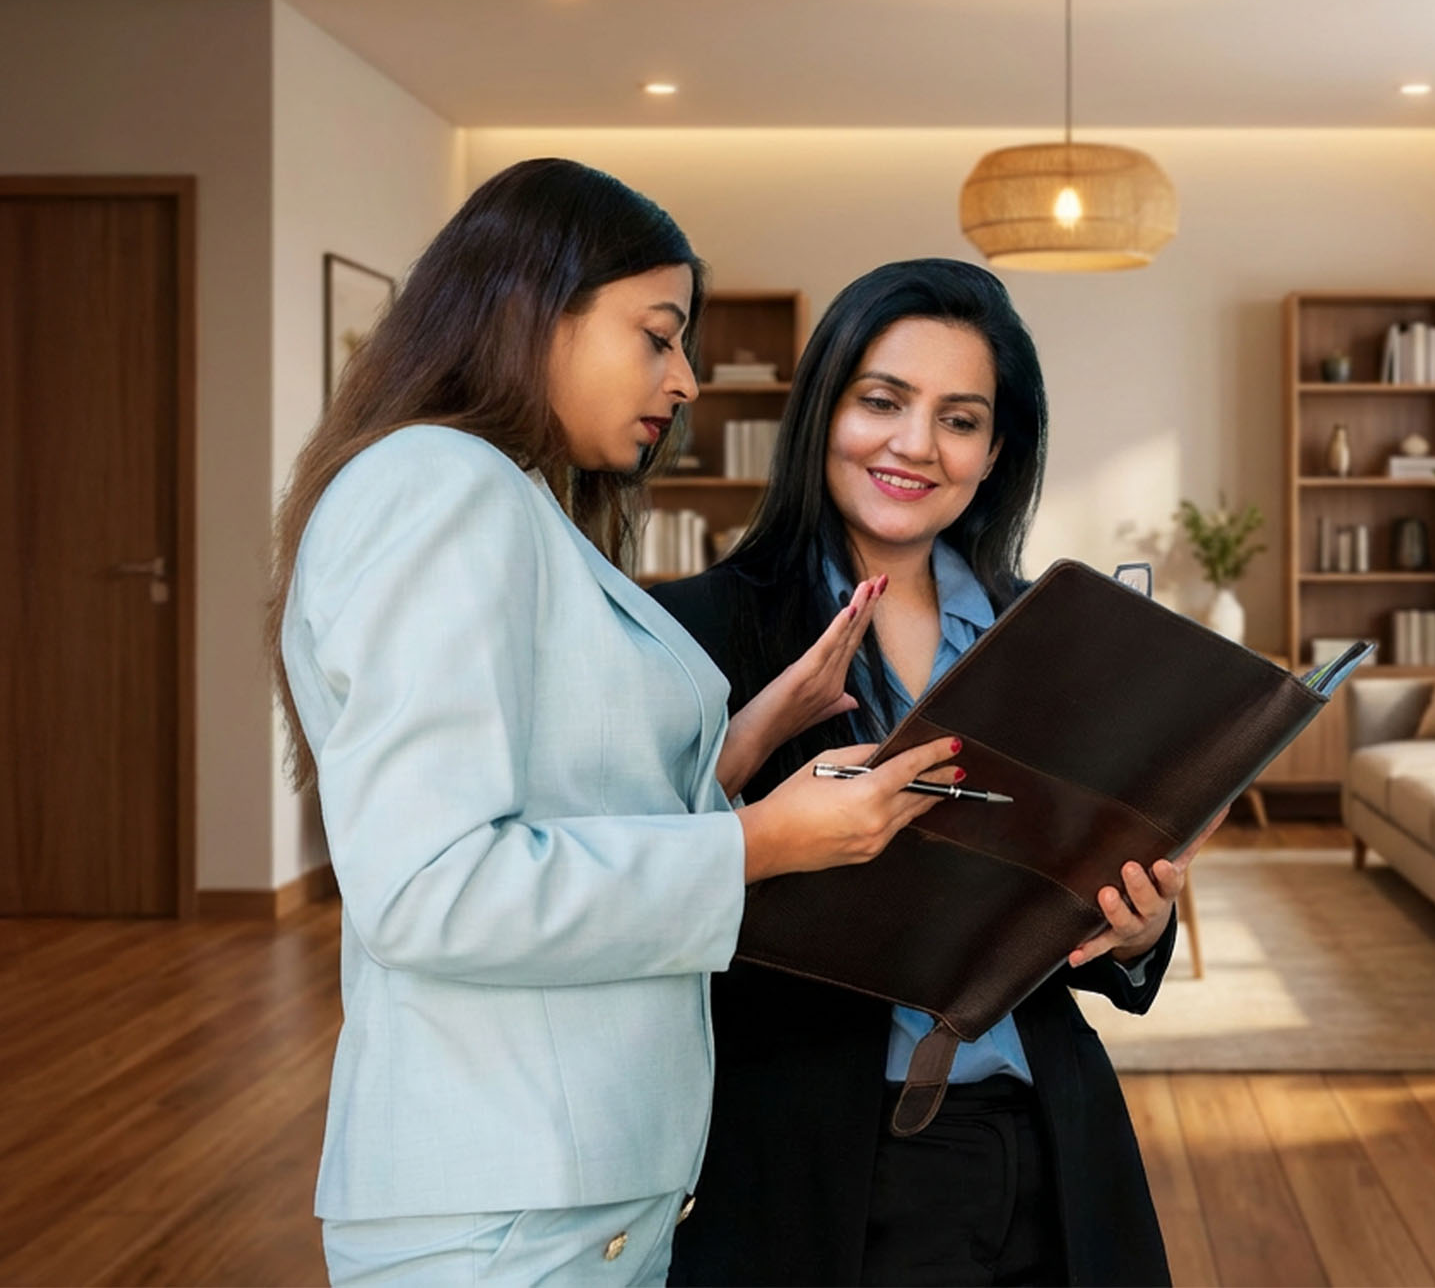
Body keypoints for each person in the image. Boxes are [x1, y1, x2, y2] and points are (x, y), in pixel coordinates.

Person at [269, 159, 959, 1285]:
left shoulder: (502, 497)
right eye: (658, 334)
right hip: (506, 1199)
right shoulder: (440, 487)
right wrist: (761, 842)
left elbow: (556, 791)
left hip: (563, 1184)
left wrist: (737, 741)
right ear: (528, 311)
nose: (685, 378)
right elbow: (432, 888)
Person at [653, 258, 1199, 1287]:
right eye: (881, 401)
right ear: (823, 411)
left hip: (1050, 1139)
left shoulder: (1051, 634)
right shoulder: (698, 633)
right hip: (816, 1153)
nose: (914, 445)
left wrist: (1141, 929)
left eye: (959, 418)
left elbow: (1097, 891)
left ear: (995, 451)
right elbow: (632, 882)